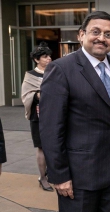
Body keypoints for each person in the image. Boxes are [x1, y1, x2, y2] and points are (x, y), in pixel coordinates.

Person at [39, 11, 110, 212]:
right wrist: (59, 175)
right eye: (95, 32)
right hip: (78, 177)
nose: (101, 38)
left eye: (108, 34)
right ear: (81, 35)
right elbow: (51, 129)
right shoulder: (61, 69)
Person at [21, 42, 53, 191]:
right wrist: (38, 95)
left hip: (55, 114)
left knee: (55, 144)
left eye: (49, 56)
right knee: (41, 147)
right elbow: (26, 95)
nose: (49, 59)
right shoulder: (30, 76)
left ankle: (51, 173)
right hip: (38, 115)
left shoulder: (54, 72)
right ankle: (43, 178)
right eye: (45, 57)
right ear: (36, 59)